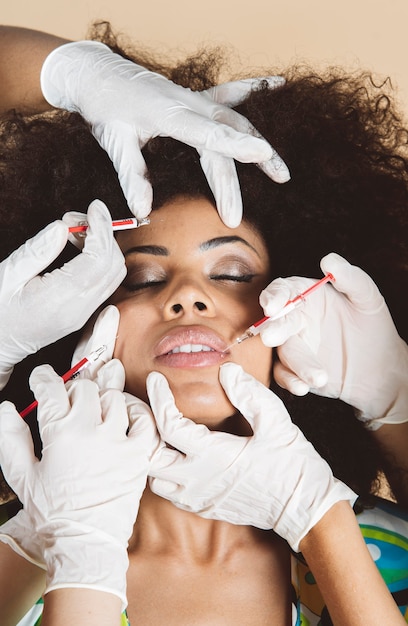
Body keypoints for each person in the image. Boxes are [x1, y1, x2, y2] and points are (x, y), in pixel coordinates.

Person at [0, 22, 407, 624]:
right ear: (72, 323)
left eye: (234, 274)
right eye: (141, 279)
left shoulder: (385, 552)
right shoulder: (22, 558)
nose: (188, 297)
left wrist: (397, 398)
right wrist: (71, 71)